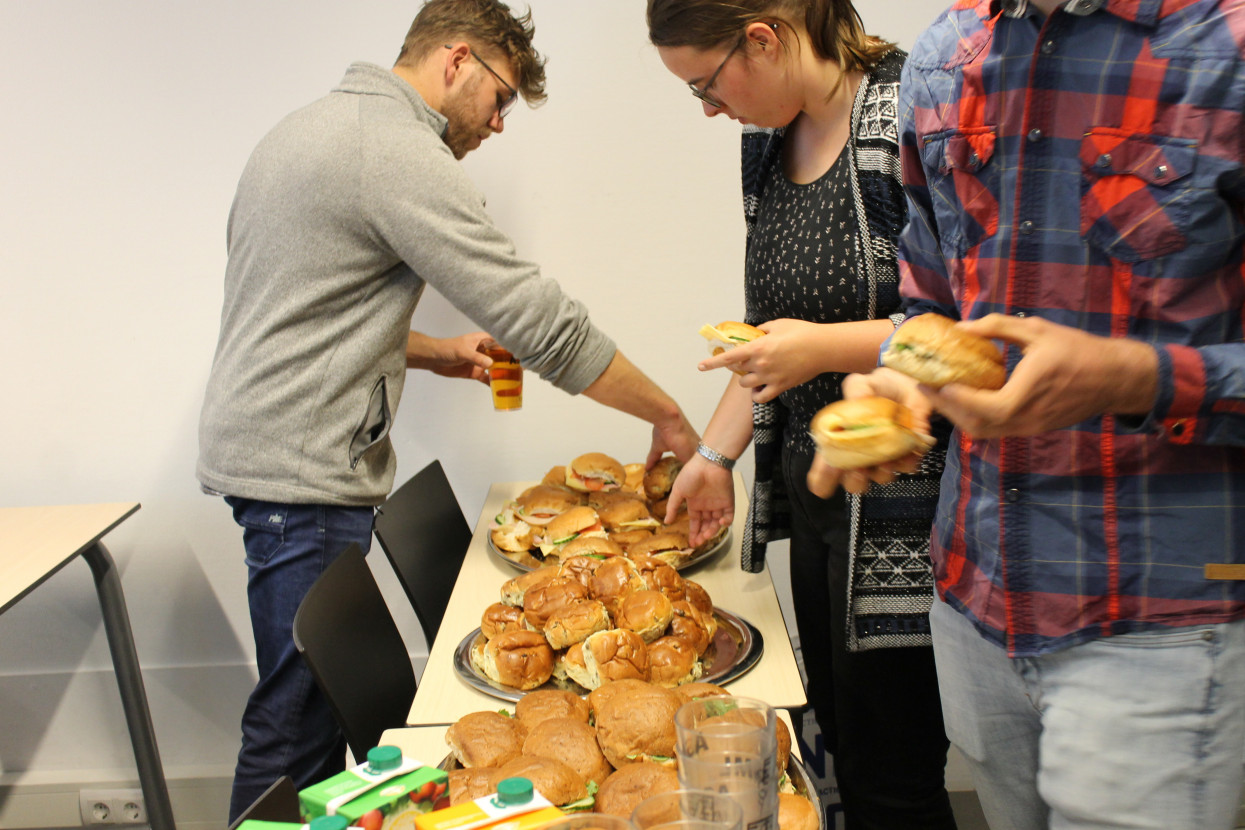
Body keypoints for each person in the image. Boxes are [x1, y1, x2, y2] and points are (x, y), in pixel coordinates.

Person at [197, 0, 698, 821]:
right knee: (295, 726)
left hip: (277, 457)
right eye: (499, 98)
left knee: (305, 721)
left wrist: (434, 351)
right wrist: (667, 414)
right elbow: (537, 320)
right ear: (456, 60)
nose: (498, 124)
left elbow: (304, 313)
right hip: (300, 473)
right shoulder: (392, 151)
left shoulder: (315, 128)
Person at [807, 0, 1245, 827]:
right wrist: (900, 383)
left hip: (1154, 620)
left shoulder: (1224, 48)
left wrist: (1133, 377)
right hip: (974, 601)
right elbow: (929, 301)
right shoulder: (944, 55)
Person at [647, 2, 958, 827]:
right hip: (817, 502)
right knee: (838, 744)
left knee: (893, 766)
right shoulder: (766, 144)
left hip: (903, 513)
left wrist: (821, 350)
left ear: (765, 37)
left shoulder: (905, 112)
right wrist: (710, 459)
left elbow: (957, 326)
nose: (711, 109)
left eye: (707, 85)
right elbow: (764, 337)